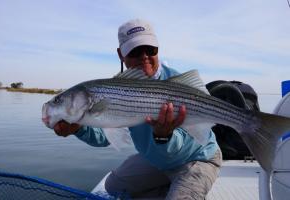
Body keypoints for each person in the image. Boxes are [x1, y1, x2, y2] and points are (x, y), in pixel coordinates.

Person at [53, 19, 222, 199]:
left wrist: (164, 136)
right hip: (158, 161)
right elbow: (105, 136)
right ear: (121, 54)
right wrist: (80, 128)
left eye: (150, 49)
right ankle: (167, 188)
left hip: (195, 158)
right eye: (135, 51)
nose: (144, 56)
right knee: (113, 186)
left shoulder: (178, 83)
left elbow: (183, 146)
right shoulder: (115, 88)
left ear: (158, 48)